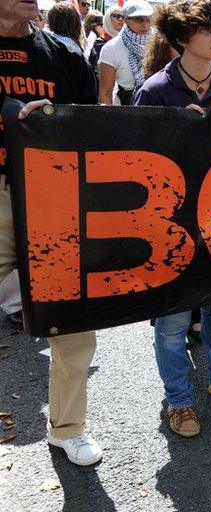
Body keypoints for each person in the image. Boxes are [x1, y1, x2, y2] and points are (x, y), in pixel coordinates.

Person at [133, 0, 211, 438]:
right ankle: (179, 402)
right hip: (169, 225)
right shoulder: (154, 92)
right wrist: (177, 130)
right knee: (171, 319)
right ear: (182, 38)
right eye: (207, 30)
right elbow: (136, 164)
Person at [0, 0, 102, 466]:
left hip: (53, 195)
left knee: (72, 316)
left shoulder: (65, 52)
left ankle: (68, 427)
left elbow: (90, 123)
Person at [98, 0, 153, 105]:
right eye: (139, 19)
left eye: (148, 19)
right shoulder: (111, 48)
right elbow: (105, 93)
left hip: (157, 110)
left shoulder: (159, 42)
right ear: (126, 20)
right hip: (125, 112)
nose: (145, 24)